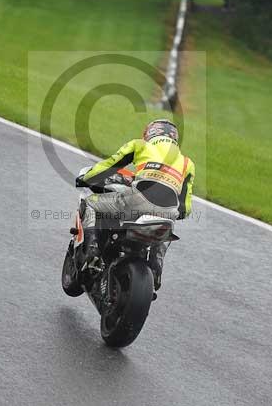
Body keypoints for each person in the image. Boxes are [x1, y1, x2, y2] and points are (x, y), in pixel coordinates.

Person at [76, 119, 195, 290]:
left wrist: (86, 178)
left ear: (151, 133)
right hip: (169, 212)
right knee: (167, 227)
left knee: (90, 203)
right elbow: (185, 208)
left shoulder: (140, 145)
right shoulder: (187, 163)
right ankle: (156, 266)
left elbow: (109, 166)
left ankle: (93, 251)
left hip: (138, 200)